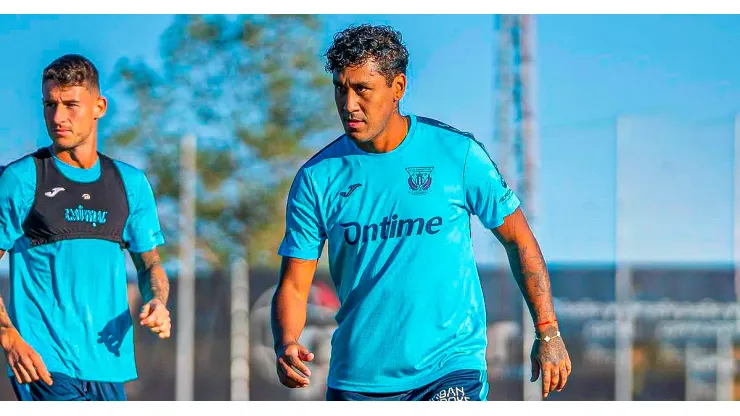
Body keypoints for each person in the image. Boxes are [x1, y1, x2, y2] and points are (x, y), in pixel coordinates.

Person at [271, 24, 572, 401]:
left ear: (397, 88)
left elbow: (519, 240)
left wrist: (548, 331)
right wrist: (286, 342)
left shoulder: (456, 154)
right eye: (340, 87)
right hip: (356, 382)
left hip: (449, 369)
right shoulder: (316, 178)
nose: (348, 104)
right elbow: (296, 285)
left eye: (362, 88)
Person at [0, 54, 171, 401]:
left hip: (109, 368)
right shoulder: (21, 179)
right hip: (44, 366)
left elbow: (150, 264)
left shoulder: (131, 184)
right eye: (50, 104)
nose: (58, 116)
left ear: (99, 106)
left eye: (70, 104)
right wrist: (9, 336)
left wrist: (158, 301)